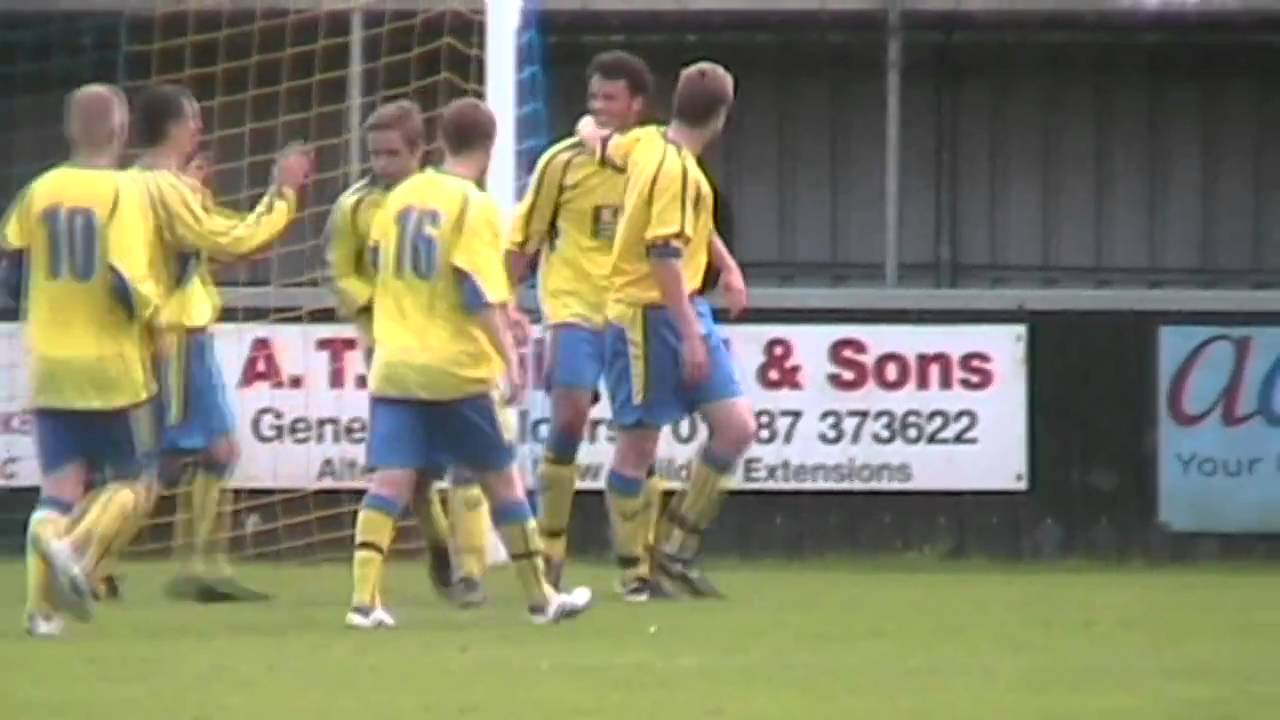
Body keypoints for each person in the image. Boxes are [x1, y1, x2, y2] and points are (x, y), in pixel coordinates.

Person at [347, 97, 591, 628]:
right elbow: (472, 290)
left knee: (390, 483)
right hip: (454, 369)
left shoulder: (398, 197)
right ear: (490, 145)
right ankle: (541, 599)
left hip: (395, 364)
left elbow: (389, 271)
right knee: (502, 483)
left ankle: (364, 602)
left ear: (438, 139)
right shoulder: (475, 206)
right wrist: (510, 356)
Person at [129, 83, 312, 602]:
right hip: (175, 335)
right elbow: (237, 240)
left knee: (185, 457)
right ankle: (90, 554)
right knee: (202, 453)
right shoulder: (167, 189)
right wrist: (284, 192)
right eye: (194, 119)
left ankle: (198, 567)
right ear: (174, 126)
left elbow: (217, 245)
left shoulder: (142, 185)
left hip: (170, 331)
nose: (201, 129)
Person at [578, 61, 754, 598]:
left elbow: (597, 140)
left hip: (685, 306)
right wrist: (692, 334)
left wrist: (724, 263)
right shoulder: (675, 169)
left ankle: (676, 550)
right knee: (638, 443)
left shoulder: (649, 143)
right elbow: (663, 254)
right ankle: (634, 575)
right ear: (723, 115)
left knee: (737, 426)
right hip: (646, 313)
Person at [2, 84, 166, 635]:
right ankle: (69, 545)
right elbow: (128, 283)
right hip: (110, 364)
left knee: (59, 487)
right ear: (121, 132)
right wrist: (151, 309)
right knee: (134, 480)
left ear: (69, 131)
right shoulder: (127, 193)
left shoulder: (39, 190)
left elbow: (12, 271)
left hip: (49, 358)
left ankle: (41, 612)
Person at [324, 99, 491, 612]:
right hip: (393, 349)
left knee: (473, 464)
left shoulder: (453, 200)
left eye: (392, 154)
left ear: (421, 151)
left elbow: (472, 272)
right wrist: (369, 309)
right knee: (409, 473)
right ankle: (441, 552)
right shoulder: (355, 206)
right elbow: (339, 269)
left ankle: (470, 571)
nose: (381, 165)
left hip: (452, 349)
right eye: (374, 154)